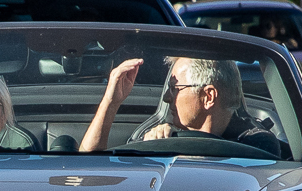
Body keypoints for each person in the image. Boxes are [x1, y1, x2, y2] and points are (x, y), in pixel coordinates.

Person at [80, 56, 279, 153]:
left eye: (175, 88)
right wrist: (111, 102)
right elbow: (87, 173)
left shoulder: (256, 147)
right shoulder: (155, 135)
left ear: (208, 96)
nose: (167, 97)